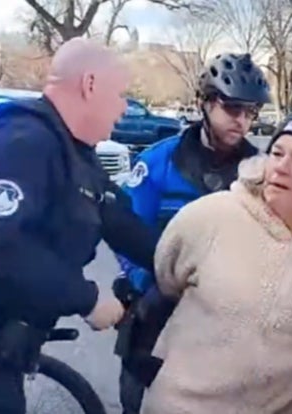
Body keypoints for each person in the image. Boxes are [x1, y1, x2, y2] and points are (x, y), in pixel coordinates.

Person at [0, 37, 160, 414]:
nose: (124, 107)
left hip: (4, 349)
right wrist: (88, 298)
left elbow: (116, 218)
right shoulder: (23, 139)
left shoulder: (73, 152)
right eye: (120, 94)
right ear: (90, 84)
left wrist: (178, 261)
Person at [141, 115, 292, 414]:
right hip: (183, 404)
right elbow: (166, 272)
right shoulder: (213, 216)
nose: (281, 166)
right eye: (277, 153)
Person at [114, 52, 272, 414]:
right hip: (157, 308)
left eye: (251, 113)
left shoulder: (260, 173)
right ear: (206, 103)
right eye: (233, 109)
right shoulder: (158, 161)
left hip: (225, 321)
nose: (243, 122)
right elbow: (125, 230)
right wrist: (142, 283)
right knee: (136, 400)